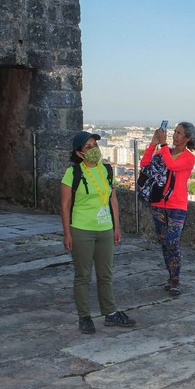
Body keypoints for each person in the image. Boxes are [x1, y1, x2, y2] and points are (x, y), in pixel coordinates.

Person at [60, 131, 134, 334]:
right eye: (88, 147)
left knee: (106, 274)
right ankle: (84, 316)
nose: (94, 150)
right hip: (82, 229)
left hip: (105, 229)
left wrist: (116, 227)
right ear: (79, 153)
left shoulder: (107, 170)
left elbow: (113, 199)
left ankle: (110, 313)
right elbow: (65, 206)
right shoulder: (73, 173)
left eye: (95, 145)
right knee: (83, 275)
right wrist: (67, 233)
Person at [140, 121, 195, 296]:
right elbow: (145, 166)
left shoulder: (188, 158)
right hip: (159, 203)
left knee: (172, 241)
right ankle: (171, 276)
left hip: (177, 205)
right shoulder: (163, 152)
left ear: (187, 138)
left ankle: (175, 279)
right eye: (175, 132)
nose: (175, 135)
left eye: (179, 133)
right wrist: (153, 144)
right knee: (164, 242)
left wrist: (164, 144)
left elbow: (172, 166)